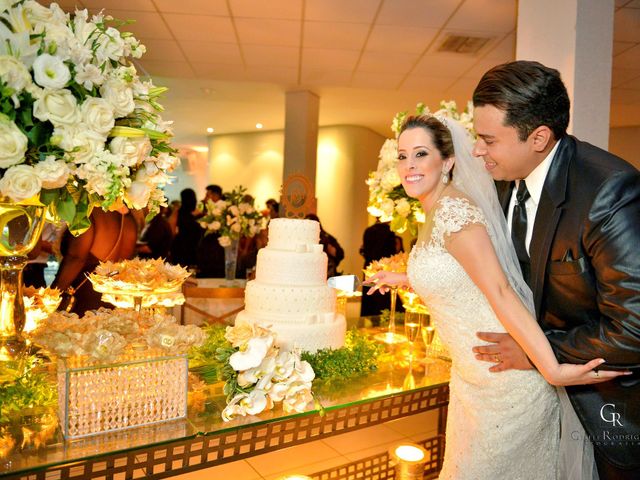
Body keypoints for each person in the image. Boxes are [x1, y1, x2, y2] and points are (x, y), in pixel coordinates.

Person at [365, 114, 627, 479]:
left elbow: (501, 291)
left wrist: (553, 369)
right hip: (472, 380)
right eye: (403, 156)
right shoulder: (434, 209)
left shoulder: (455, 212)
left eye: (420, 154)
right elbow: (459, 273)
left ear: (449, 161)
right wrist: (406, 278)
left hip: (506, 387)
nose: (408, 166)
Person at [470, 60, 640, 479]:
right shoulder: (504, 176)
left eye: (488, 140)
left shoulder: (609, 191)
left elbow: (634, 328)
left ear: (539, 137)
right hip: (526, 405)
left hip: (608, 410)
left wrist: (534, 352)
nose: (477, 151)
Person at [53, 208, 137, 315]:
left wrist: (52, 294)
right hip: (112, 301)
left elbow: (76, 259)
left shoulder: (91, 213)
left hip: (82, 300)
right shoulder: (128, 218)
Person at [359, 220, 397, 316]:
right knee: (384, 298)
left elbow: (364, 250)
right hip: (386, 267)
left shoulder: (368, 231)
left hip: (370, 267)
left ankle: (369, 320)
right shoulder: (389, 231)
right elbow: (392, 252)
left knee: (370, 299)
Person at [170, 188, 204, 269]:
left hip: (180, 246)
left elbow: (171, 230)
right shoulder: (199, 214)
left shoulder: (178, 212)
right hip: (195, 247)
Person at [304, 213, 344, 277]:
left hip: (325, 273)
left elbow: (341, 254)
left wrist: (334, 251)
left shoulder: (326, 238)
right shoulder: (302, 238)